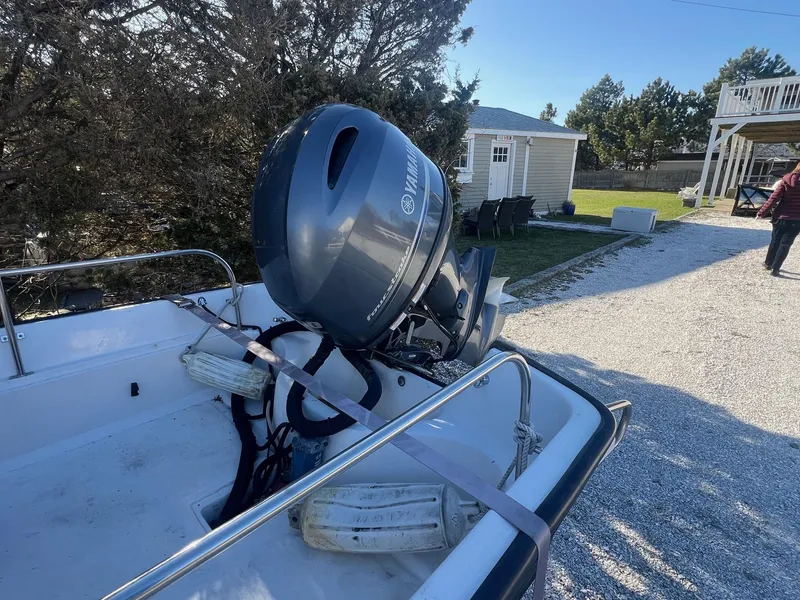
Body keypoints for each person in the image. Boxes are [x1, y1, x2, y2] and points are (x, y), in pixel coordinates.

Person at [757, 163, 800, 276]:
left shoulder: (787, 180)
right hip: (797, 219)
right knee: (786, 244)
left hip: (781, 216)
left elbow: (774, 198)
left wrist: (762, 212)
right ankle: (775, 269)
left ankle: (768, 263)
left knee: (775, 240)